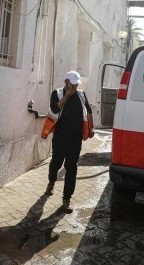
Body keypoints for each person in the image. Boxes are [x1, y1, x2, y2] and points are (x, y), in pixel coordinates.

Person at [44, 71, 95, 213]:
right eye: (72, 83)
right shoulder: (58, 93)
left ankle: (67, 198)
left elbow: (89, 111)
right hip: (60, 137)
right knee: (56, 162)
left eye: (76, 83)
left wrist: (92, 127)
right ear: (66, 82)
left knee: (71, 168)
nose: (74, 86)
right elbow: (55, 108)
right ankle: (51, 182)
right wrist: (67, 96)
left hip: (76, 139)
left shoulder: (81, 94)